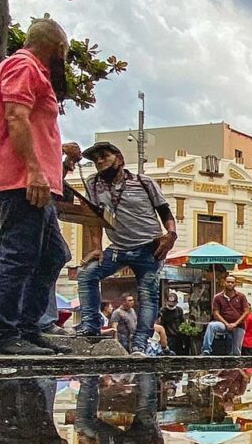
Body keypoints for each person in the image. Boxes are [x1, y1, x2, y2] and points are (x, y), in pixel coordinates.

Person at [0, 19, 73, 356]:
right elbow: (15, 117)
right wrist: (34, 171)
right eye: (64, 51)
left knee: (53, 254)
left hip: (38, 181)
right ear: (57, 47)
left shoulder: (29, 70)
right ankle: (1, 333)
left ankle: (26, 326)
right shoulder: (24, 66)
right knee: (17, 254)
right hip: (24, 180)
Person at [72, 141, 178, 356]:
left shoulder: (143, 182)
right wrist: (96, 247)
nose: (99, 161)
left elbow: (165, 211)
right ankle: (90, 327)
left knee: (148, 295)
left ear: (119, 158)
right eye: (95, 159)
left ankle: (140, 345)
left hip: (150, 248)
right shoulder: (92, 184)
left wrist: (171, 235)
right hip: (118, 248)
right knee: (87, 274)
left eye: (104, 156)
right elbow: (94, 218)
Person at [203, 274, 250, 355]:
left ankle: (236, 365)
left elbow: (246, 312)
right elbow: (216, 313)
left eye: (232, 282)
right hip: (223, 324)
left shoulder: (241, 296)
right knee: (211, 326)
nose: (230, 284)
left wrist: (235, 324)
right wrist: (226, 324)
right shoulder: (217, 297)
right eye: (228, 282)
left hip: (238, 325)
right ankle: (206, 350)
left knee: (236, 352)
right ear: (224, 283)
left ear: (235, 284)